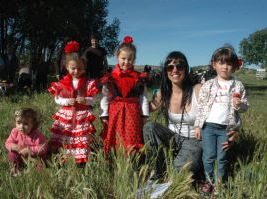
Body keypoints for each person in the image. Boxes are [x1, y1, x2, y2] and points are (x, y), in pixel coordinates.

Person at [195, 46, 249, 195]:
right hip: (209, 127)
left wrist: (239, 105)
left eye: (229, 63)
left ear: (234, 66)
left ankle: (219, 182)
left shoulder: (238, 85)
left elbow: (245, 107)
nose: (225, 66)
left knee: (223, 157)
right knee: (208, 156)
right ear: (214, 64)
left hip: (226, 128)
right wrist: (198, 126)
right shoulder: (208, 85)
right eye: (221, 62)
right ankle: (209, 181)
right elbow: (201, 106)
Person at [143, 51, 203, 182]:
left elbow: (220, 107)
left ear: (186, 69)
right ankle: (157, 171)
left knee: (177, 174)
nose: (174, 70)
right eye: (170, 67)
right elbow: (145, 109)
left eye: (179, 66)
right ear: (166, 71)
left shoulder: (198, 89)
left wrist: (232, 129)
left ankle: (181, 168)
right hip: (172, 138)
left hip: (194, 141)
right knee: (149, 127)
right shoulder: (163, 93)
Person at [48, 41, 99, 166]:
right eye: (73, 68)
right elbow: (57, 99)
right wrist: (66, 101)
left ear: (84, 68)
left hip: (82, 115)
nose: (76, 71)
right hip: (67, 115)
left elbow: (95, 99)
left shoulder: (88, 83)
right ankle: (62, 159)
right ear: (67, 67)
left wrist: (86, 100)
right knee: (66, 136)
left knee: (81, 138)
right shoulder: (62, 83)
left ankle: (81, 161)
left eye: (79, 68)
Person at [100, 36, 149, 155]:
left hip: (133, 113)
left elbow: (143, 98)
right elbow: (105, 97)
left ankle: (132, 159)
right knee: (115, 136)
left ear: (134, 60)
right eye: (123, 58)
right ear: (117, 57)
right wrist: (104, 115)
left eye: (130, 59)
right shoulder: (111, 77)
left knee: (132, 136)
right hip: (115, 113)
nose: (126, 62)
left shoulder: (139, 78)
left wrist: (144, 115)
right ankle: (114, 158)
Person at [5, 108, 48, 176]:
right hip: (21, 155)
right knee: (12, 154)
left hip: (34, 157)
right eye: (18, 123)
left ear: (33, 124)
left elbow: (43, 147)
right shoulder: (15, 132)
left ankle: (37, 173)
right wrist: (14, 146)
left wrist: (30, 150)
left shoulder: (37, 135)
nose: (21, 127)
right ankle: (15, 168)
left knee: (40, 164)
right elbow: (8, 143)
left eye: (25, 124)